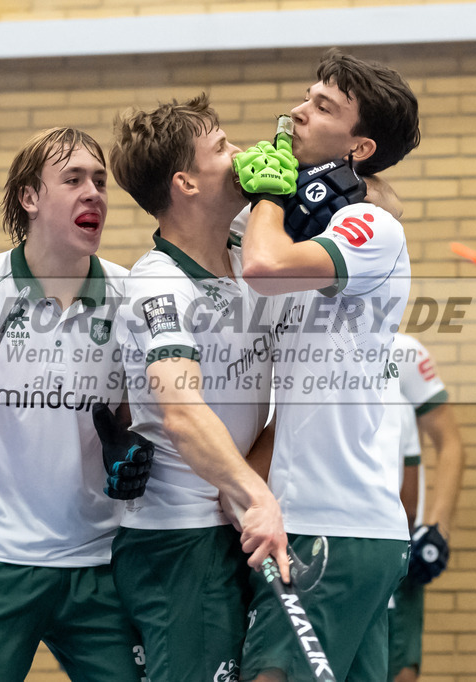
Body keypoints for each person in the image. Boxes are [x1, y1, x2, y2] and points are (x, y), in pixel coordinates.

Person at [0, 127, 145, 682]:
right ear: (30, 197)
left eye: (99, 181)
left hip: (101, 561)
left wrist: (132, 445)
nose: (93, 193)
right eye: (73, 179)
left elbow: (134, 421)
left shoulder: (129, 295)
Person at [233, 47, 422, 681]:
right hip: (326, 520)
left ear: (359, 148)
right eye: (305, 97)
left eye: (322, 107)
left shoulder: (370, 224)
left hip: (332, 526)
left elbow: (263, 266)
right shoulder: (308, 237)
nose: (297, 111)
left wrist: (269, 191)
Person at [108, 93, 288, 681]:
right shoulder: (158, 285)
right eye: (221, 148)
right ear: (185, 183)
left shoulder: (248, 248)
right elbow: (182, 413)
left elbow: (381, 203)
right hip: (180, 535)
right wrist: (255, 494)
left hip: (234, 519)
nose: (242, 154)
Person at [388, 333, 466, 682]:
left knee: (400, 671)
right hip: (324, 540)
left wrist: (436, 529)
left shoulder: (404, 353)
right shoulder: (301, 345)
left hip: (399, 545)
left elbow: (450, 442)